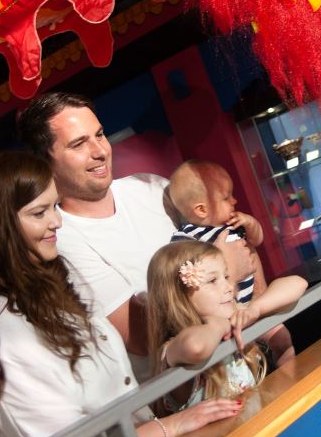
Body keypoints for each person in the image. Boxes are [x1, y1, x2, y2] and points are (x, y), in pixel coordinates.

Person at [0, 151, 242, 437]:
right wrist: (180, 423)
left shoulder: (54, 292)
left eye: (54, 207)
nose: (56, 222)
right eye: (39, 213)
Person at [17, 92, 265, 375]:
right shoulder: (62, 242)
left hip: (247, 353)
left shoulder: (151, 187)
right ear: (46, 162)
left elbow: (237, 242)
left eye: (99, 135)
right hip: (190, 392)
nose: (99, 150)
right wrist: (226, 269)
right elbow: (142, 338)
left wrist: (268, 331)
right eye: (78, 144)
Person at [145, 239, 306, 412]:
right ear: (179, 297)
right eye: (212, 280)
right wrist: (218, 324)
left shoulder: (235, 318)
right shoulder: (173, 349)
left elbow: (298, 283)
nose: (229, 287)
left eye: (226, 276)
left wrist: (255, 309)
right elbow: (196, 346)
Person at [165, 159, 297, 365]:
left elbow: (257, 240)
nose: (234, 201)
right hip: (225, 315)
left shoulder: (233, 225)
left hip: (253, 306)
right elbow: (192, 280)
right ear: (201, 209)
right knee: (246, 359)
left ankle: (291, 380)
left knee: (283, 339)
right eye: (226, 197)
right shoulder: (186, 239)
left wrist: (251, 224)